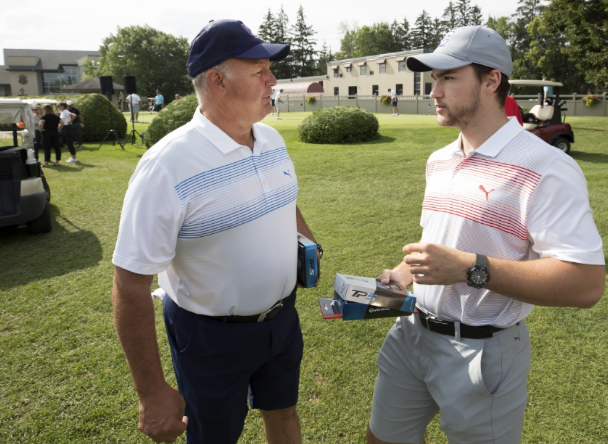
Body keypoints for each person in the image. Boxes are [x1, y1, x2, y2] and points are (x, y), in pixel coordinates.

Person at [366, 26, 605, 444]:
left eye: (448, 78)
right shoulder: (439, 160)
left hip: (483, 352)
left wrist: (469, 269)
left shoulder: (547, 166)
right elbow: (442, 242)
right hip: (410, 334)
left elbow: (585, 283)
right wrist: (403, 273)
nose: (434, 91)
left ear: (491, 80)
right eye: (434, 79)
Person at [112, 19, 318, 444]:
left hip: (282, 320)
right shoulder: (166, 166)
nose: (273, 80)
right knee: (214, 436)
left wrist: (308, 243)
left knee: (284, 414)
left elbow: (284, 197)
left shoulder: (272, 140)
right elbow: (130, 283)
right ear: (217, 81)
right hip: (209, 337)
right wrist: (151, 393)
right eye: (260, 71)